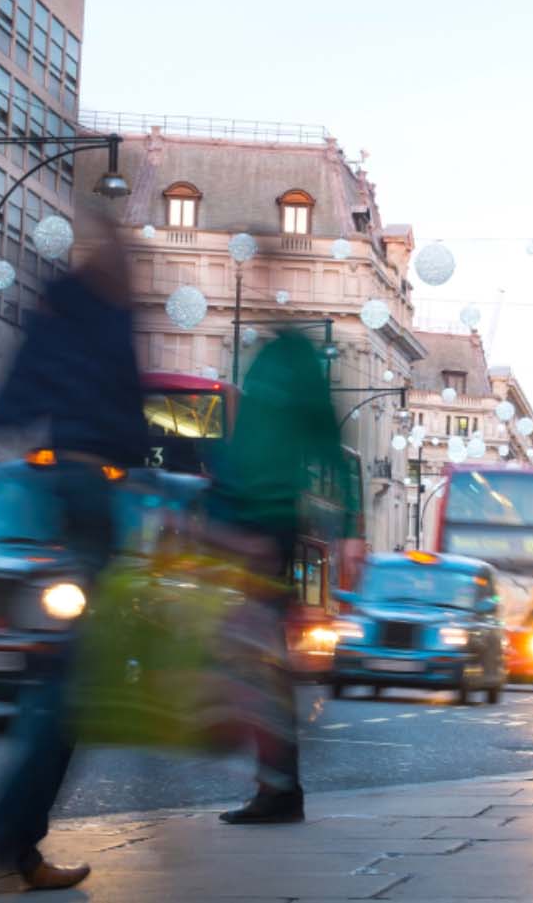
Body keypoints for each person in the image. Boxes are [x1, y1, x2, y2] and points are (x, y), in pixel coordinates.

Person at [0, 209, 148, 893]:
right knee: (68, 687)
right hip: (87, 494)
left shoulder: (70, 304)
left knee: (66, 681)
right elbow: (117, 408)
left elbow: (18, 393)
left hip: (69, 488)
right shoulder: (95, 309)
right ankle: (3, 848)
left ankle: (16, 849)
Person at [209, 331, 358, 825]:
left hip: (267, 524)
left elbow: (332, 449)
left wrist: (351, 528)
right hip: (245, 519)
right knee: (252, 655)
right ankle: (276, 784)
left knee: (258, 659)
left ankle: (278, 787)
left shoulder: (293, 360)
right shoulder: (271, 356)